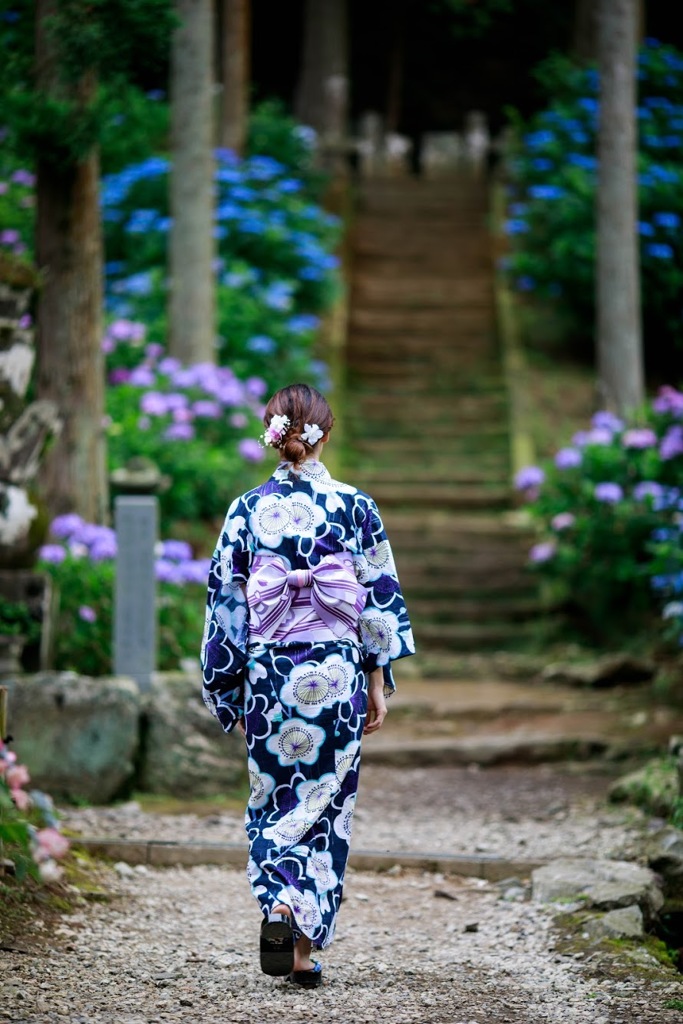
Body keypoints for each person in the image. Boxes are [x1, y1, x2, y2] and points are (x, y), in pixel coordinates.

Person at [201, 383, 414, 988]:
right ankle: (300, 943)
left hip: (271, 677)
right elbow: (377, 600)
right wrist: (376, 679)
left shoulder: (244, 511)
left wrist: (228, 685)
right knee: (326, 806)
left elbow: (226, 605)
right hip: (337, 674)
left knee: (274, 799)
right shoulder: (356, 507)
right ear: (327, 432)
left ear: (271, 433)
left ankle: (278, 906)